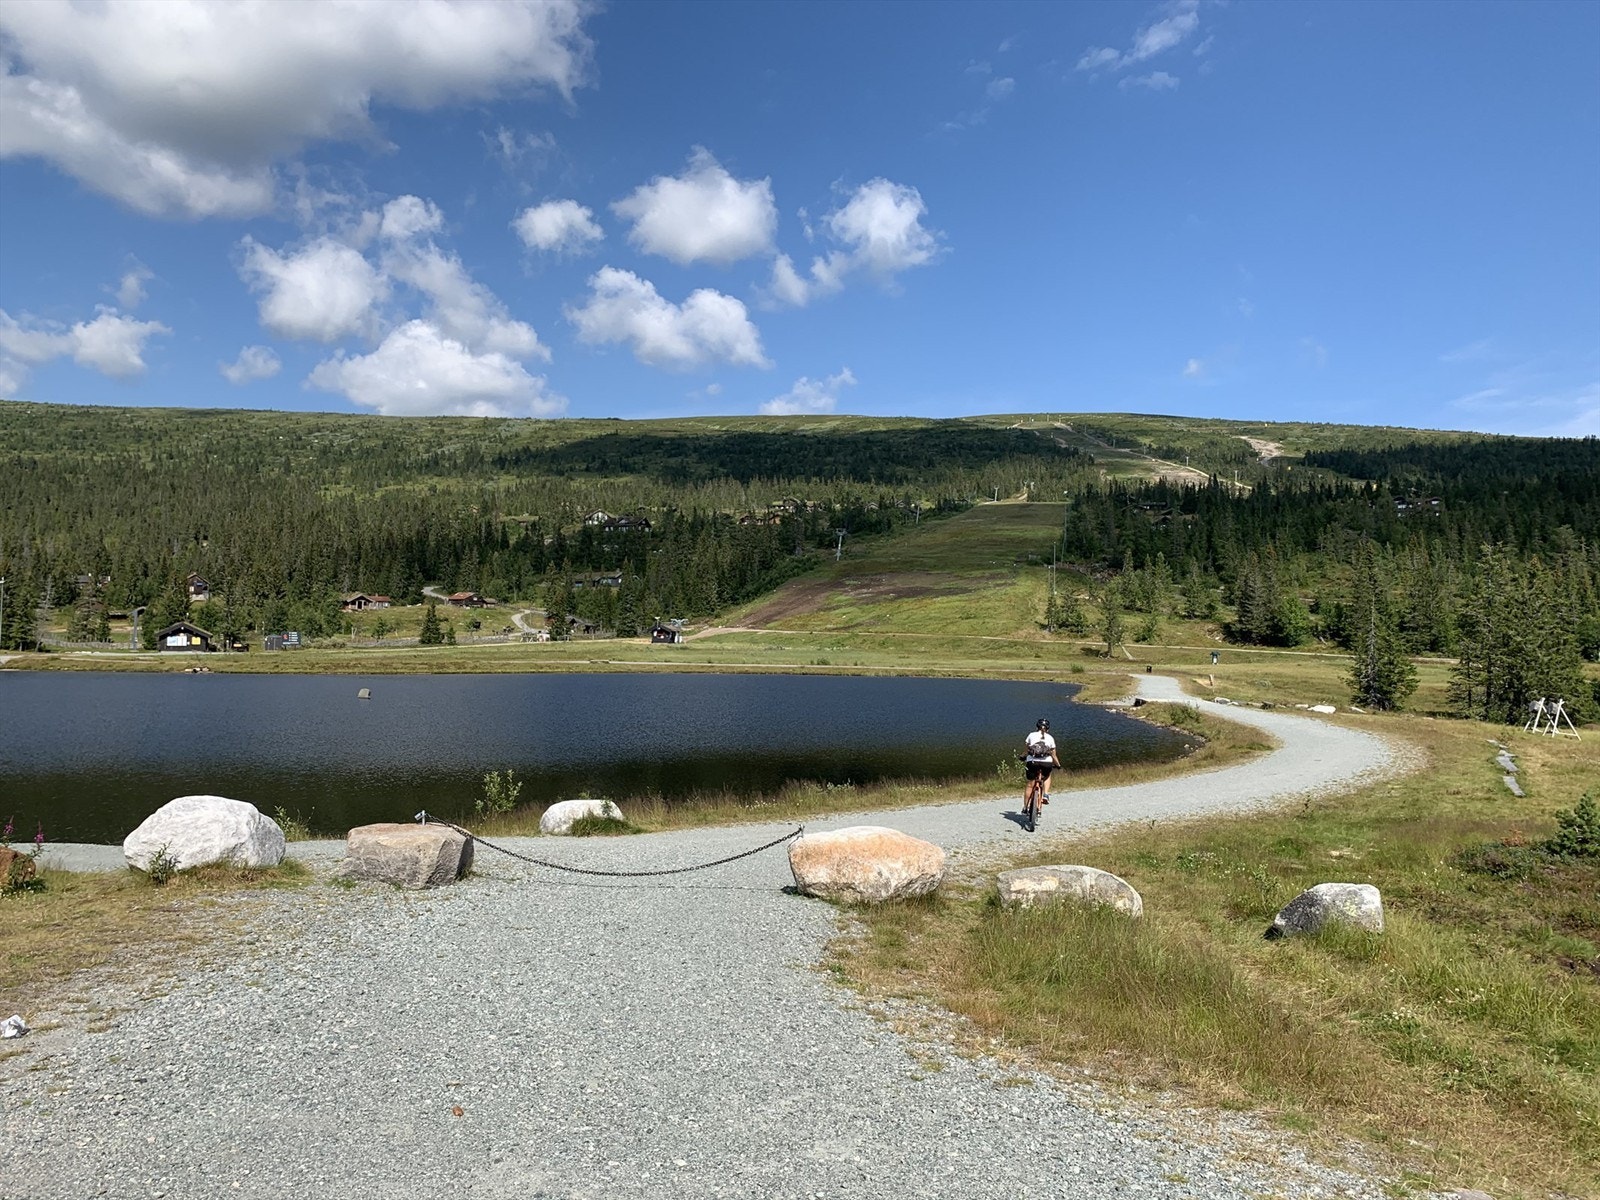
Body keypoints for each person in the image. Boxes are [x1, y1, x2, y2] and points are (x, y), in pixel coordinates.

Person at [1022, 717, 1060, 812]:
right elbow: (1054, 755)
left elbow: (1026, 750)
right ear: (1048, 729)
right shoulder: (1050, 738)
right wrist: (1058, 765)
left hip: (1032, 762)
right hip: (1046, 763)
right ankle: (1046, 794)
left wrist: (1022, 756)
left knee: (1030, 785)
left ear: (1037, 727)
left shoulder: (1031, 735)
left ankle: (1025, 807)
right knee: (1047, 775)